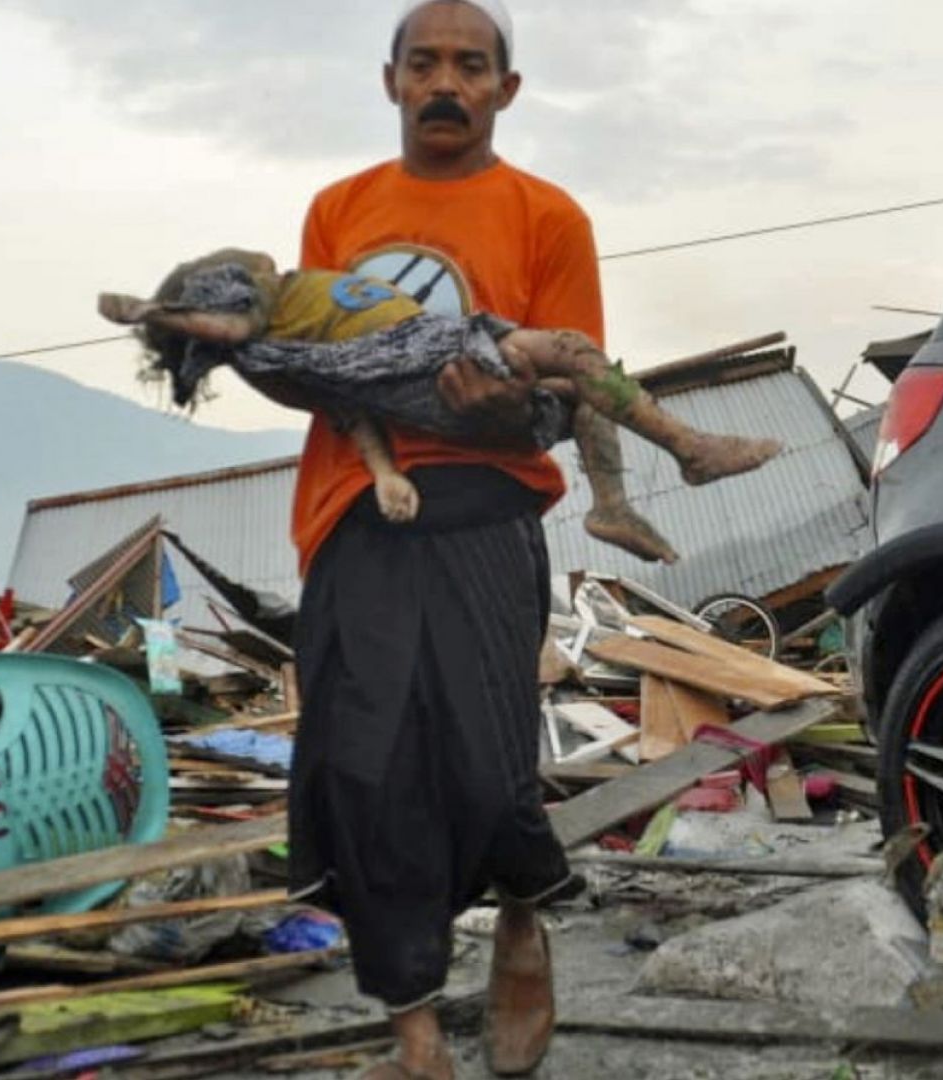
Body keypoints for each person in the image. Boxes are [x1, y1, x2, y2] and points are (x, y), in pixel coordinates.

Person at [282, 3, 648, 1076]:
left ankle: (524, 926)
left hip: (487, 508)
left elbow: (568, 389)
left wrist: (486, 408)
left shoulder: (548, 217)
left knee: (489, 768)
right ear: (390, 80)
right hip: (359, 506)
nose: (448, 83)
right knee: (362, 770)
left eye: (472, 67)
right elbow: (310, 362)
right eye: (427, 64)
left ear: (506, 90)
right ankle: (415, 1028)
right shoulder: (336, 210)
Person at [97, 248, 781, 554]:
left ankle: (612, 507)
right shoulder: (261, 340)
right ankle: (691, 451)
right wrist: (153, 313)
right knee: (571, 350)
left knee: (582, 388)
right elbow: (343, 399)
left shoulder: (291, 299)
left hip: (437, 340)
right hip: (424, 362)